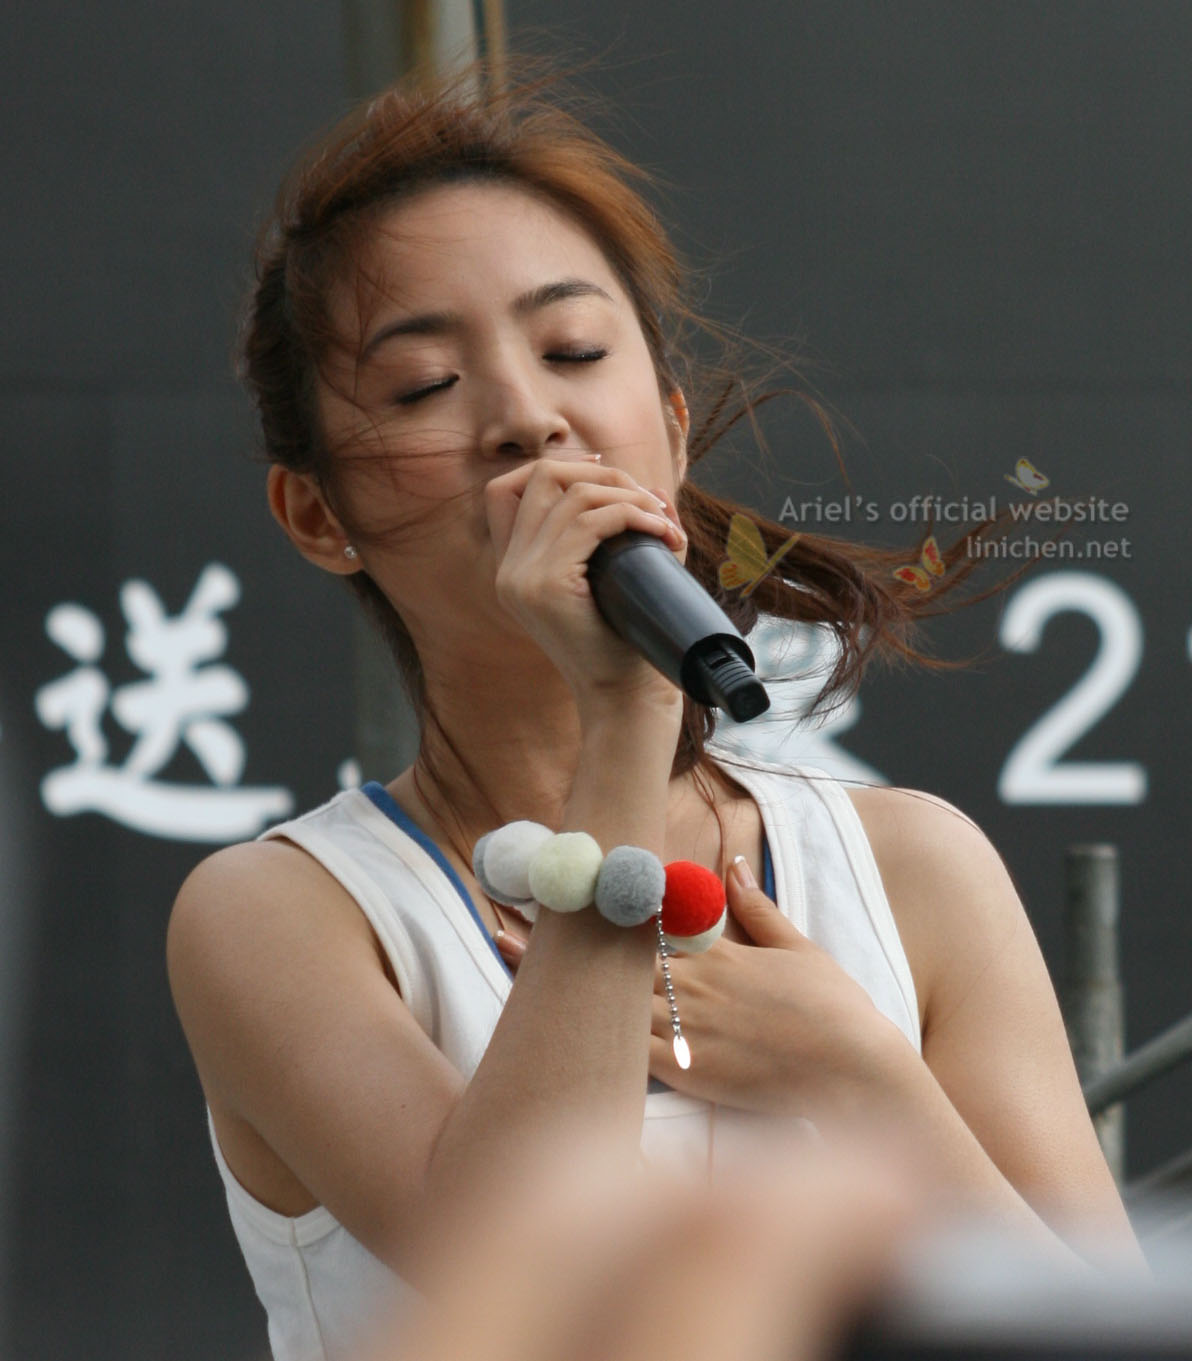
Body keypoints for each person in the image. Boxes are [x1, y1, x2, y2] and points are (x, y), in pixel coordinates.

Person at [166, 62, 1141, 1361]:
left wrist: (861, 1075)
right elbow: (525, 1281)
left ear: (670, 431)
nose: (529, 418)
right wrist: (625, 706)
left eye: (574, 351)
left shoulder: (914, 869)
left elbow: (1104, 1330)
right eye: (424, 386)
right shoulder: (284, 916)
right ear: (315, 513)